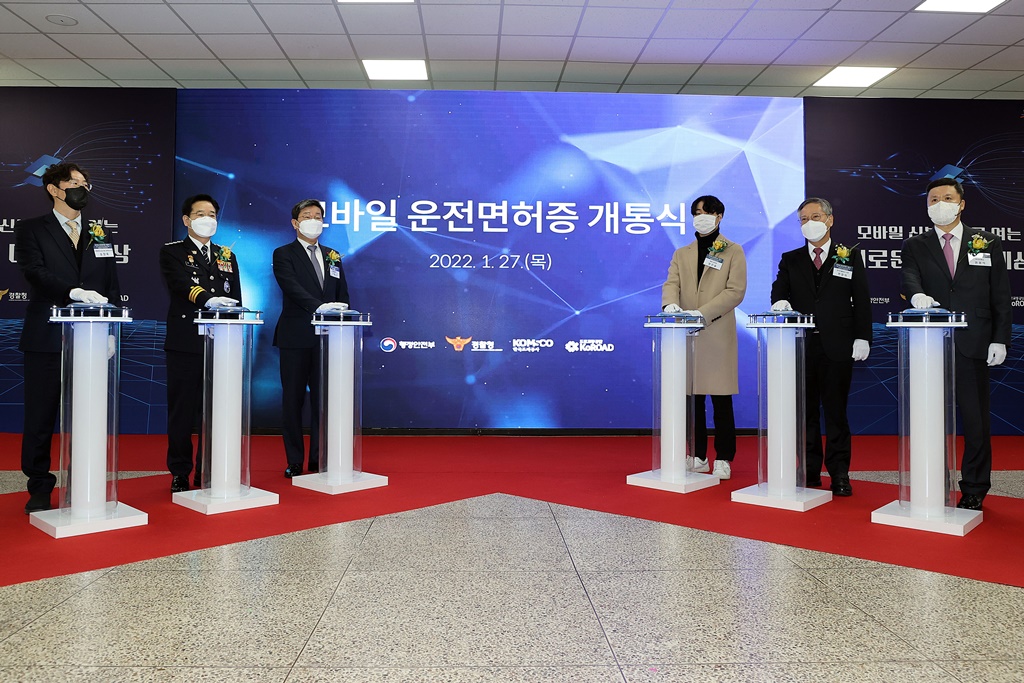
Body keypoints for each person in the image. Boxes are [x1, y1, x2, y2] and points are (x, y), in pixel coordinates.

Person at [14, 162, 121, 514]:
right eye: (74, 182)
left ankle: (84, 479)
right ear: (54, 189)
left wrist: (110, 328)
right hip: (47, 333)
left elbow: (110, 281)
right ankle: (40, 485)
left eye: (85, 183)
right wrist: (72, 291)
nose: (82, 188)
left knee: (86, 413)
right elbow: (34, 271)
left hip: (90, 337)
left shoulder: (99, 232)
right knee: (41, 414)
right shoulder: (33, 229)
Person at [901, 178, 1011, 511]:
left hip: (974, 341)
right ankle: (930, 481)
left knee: (976, 421)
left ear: (961, 203)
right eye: (934, 198)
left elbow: (1001, 295)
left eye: (947, 198)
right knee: (929, 417)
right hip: (929, 344)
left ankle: (975, 487)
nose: (940, 203)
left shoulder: (987, 242)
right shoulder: (916, 245)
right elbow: (909, 277)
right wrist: (916, 293)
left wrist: (1000, 339)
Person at [770, 197, 871, 497]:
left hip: (838, 346)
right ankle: (809, 471)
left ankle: (839, 473)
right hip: (801, 347)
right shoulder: (791, 259)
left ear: (829, 220)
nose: (808, 223)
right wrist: (780, 301)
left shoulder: (849, 255)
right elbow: (779, 288)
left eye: (814, 216)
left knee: (837, 412)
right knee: (805, 412)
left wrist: (863, 336)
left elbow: (862, 299)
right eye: (803, 219)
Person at [159, 194, 241, 493]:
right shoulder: (173, 252)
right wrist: (208, 299)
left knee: (216, 410)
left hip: (222, 344)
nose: (207, 218)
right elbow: (180, 284)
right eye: (200, 213)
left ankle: (208, 470)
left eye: (212, 214)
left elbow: (236, 297)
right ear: (187, 220)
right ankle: (180, 471)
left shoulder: (226, 255)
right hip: (185, 341)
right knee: (183, 411)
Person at [661, 195, 747, 480]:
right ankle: (696, 455)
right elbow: (671, 282)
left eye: (708, 212)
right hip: (687, 335)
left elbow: (735, 291)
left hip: (717, 331)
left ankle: (723, 457)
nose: (702, 217)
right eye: (697, 212)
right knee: (692, 399)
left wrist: (702, 313)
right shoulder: (682, 253)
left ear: (719, 216)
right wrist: (670, 305)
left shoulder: (733, 250)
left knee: (721, 400)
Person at [272, 199, 350, 478]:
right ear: (295, 223)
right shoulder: (283, 253)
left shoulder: (333, 255)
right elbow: (290, 287)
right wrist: (318, 306)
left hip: (329, 339)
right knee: (292, 401)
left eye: (318, 216)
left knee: (324, 402)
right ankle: (295, 460)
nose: (314, 220)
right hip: (295, 336)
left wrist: (343, 317)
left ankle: (320, 459)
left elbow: (342, 294)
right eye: (307, 216)